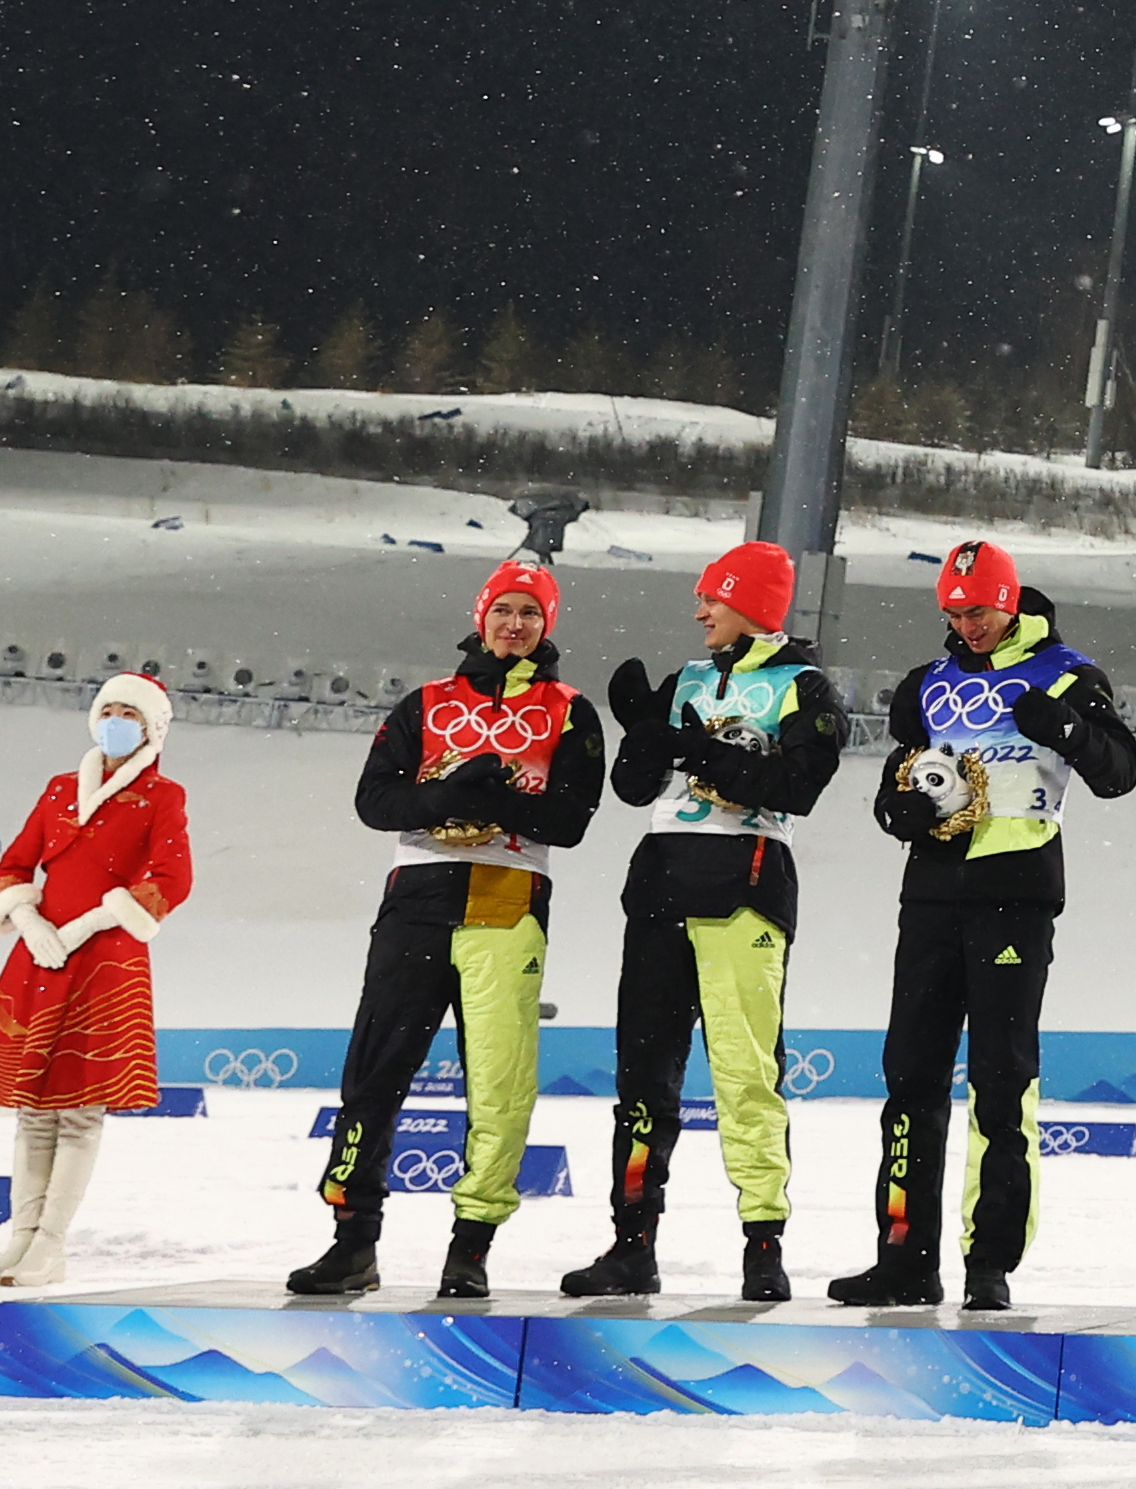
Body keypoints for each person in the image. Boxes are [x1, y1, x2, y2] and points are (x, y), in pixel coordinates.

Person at [833, 538, 1136, 1312]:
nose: (965, 625)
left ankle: (987, 1262)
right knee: (910, 1077)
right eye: (953, 612)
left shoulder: (1067, 673)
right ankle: (904, 1257)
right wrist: (896, 812)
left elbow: (1119, 771)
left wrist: (1064, 729)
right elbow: (895, 781)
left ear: (1009, 602)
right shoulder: (926, 686)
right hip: (932, 895)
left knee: (1002, 1082)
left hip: (1016, 893)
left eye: (976, 610)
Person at [291, 556, 606, 1301]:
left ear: (546, 625)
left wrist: (503, 807)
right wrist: (443, 796)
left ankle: (470, 1248)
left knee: (498, 1087)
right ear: (481, 617)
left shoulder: (570, 709)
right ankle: (351, 1242)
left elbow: (573, 818)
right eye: (504, 611)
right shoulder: (424, 703)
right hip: (418, 900)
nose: (515, 624)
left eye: (530, 613)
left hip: (508, 901)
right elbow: (374, 801)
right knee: (373, 1075)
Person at [557, 539, 848, 1306]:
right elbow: (630, 789)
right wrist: (643, 739)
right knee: (642, 1081)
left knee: (747, 1077)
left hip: (744, 890)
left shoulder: (805, 687)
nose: (698, 613)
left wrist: (696, 748)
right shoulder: (685, 678)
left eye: (712, 599)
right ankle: (631, 1245)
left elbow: (794, 786)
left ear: (750, 603)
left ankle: (762, 1245)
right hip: (658, 890)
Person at [0, 671, 186, 1293]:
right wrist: (28, 919)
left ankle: (50, 1247)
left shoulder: (161, 795)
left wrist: (94, 920)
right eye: (107, 709)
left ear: (151, 728)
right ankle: (20, 1241)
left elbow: (172, 877)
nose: (114, 720)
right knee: (32, 1112)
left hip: (106, 957)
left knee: (79, 1114)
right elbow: (14, 863)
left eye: (128, 713)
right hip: (42, 955)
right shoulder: (60, 789)